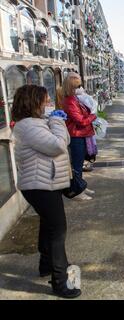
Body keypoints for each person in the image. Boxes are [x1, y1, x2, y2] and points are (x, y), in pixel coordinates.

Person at [12, 85, 82, 299]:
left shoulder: (36, 123)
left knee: (48, 225)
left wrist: (53, 121)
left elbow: (64, 141)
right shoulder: (28, 126)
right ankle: (60, 282)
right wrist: (58, 120)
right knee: (57, 231)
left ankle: (46, 264)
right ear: (33, 102)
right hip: (39, 186)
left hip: (43, 184)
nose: (49, 101)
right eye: (45, 99)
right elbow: (58, 145)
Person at [62, 72, 97, 201]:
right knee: (76, 165)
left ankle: (81, 185)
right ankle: (77, 191)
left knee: (80, 163)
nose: (81, 88)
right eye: (78, 86)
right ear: (72, 86)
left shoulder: (77, 98)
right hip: (76, 135)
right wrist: (94, 115)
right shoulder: (70, 101)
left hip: (83, 134)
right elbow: (81, 121)